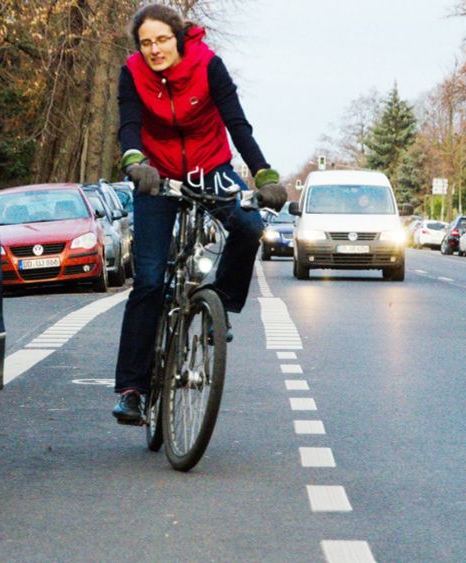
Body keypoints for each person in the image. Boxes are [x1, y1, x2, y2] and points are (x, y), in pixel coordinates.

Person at [112, 4, 288, 426]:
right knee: (151, 279)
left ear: (179, 37)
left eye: (162, 40)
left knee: (249, 225)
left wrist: (265, 175)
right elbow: (129, 125)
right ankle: (132, 390)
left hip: (211, 169)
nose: (155, 50)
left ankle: (222, 304)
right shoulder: (132, 73)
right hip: (157, 176)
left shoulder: (209, 66)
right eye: (146, 43)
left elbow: (237, 125)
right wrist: (136, 163)